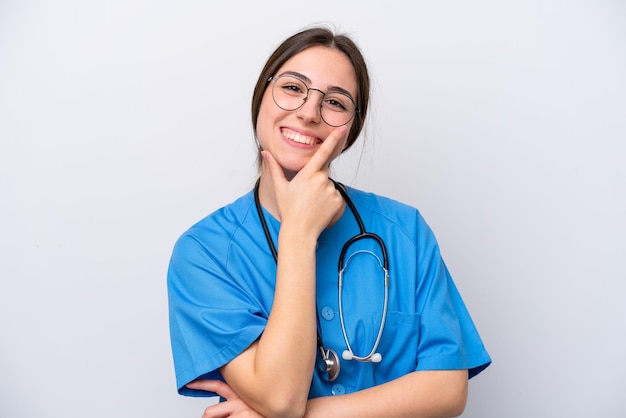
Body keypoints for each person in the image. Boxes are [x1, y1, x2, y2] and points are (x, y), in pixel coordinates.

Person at [167, 25, 491, 418]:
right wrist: (299, 235)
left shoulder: (405, 231)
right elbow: (281, 397)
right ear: (261, 96)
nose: (307, 112)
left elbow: (447, 390)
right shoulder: (204, 253)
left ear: (350, 128)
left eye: (335, 102)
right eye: (292, 88)